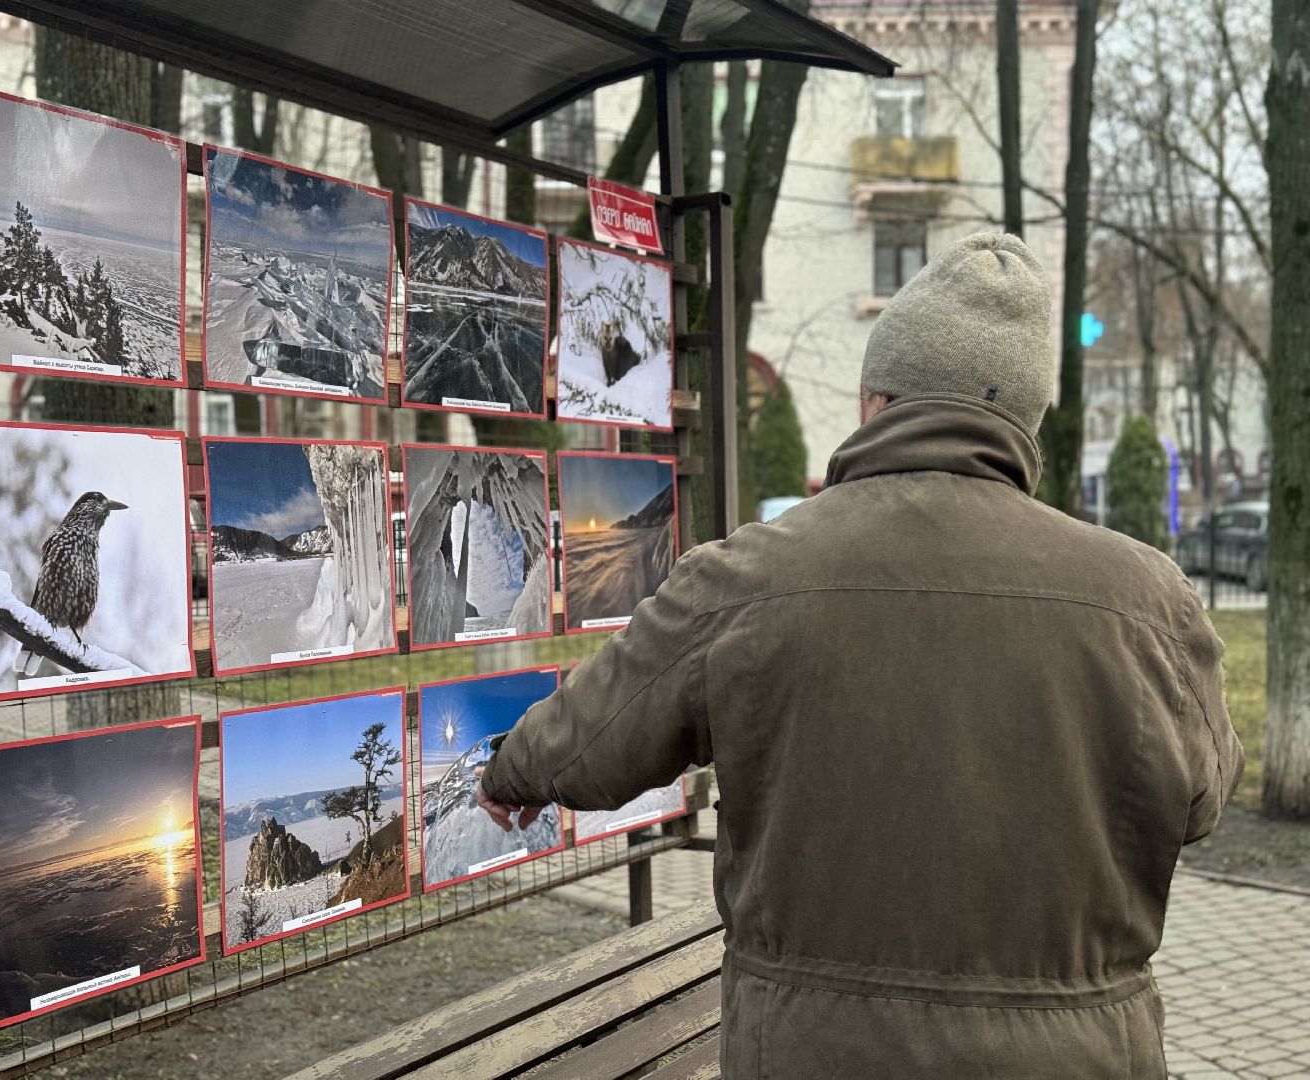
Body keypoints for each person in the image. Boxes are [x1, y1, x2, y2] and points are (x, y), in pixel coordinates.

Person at [476, 233, 1243, 1079]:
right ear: (1026, 424)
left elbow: (592, 739)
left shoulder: (746, 577)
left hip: (814, 1051)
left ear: (874, 401)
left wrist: (511, 770)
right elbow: (1204, 799)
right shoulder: (1148, 600)